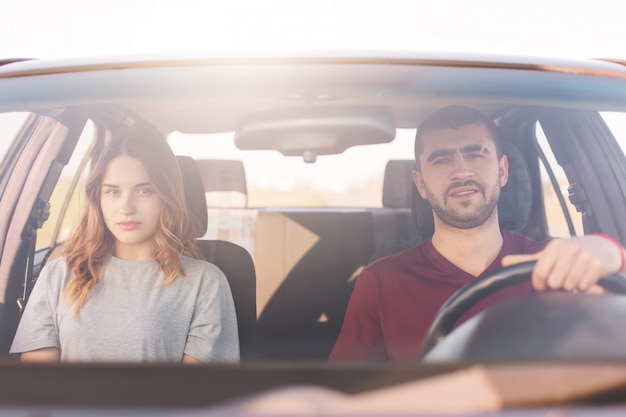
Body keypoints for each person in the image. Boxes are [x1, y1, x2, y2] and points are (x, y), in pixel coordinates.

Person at [329, 105, 626, 361]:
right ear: (420, 184)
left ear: (502, 171)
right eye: (442, 159)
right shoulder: (382, 281)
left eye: (475, 155)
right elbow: (345, 394)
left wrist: (610, 251)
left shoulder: (554, 264)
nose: (461, 172)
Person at [10, 123, 240, 363]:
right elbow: (39, 387)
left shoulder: (205, 282)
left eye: (144, 191)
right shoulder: (58, 274)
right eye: (112, 192)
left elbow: (196, 394)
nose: (126, 208)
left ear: (167, 197)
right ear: (98, 198)